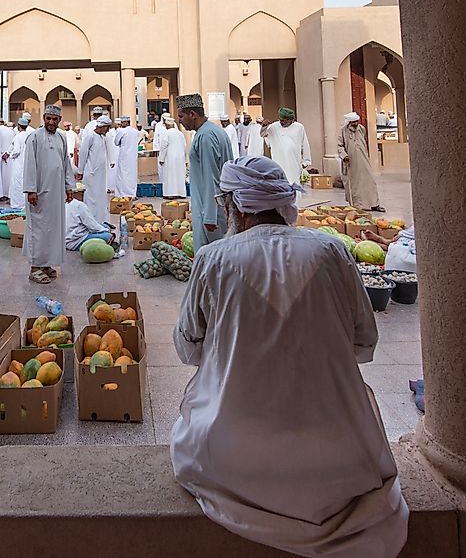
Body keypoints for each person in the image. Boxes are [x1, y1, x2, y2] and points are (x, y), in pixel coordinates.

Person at [171, 155, 408, 558]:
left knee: (197, 423)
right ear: (282, 204)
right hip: (341, 457)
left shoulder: (214, 259)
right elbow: (364, 341)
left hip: (235, 461)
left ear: (236, 207)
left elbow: (189, 348)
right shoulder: (332, 250)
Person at [23, 105, 75, 284]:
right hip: (38, 192)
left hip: (56, 193)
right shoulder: (34, 137)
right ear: (44, 118)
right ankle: (35, 268)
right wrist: (31, 189)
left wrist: (69, 187)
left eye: (55, 119)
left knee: (53, 229)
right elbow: (29, 164)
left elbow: (65, 163)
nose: (51, 122)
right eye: (48, 119)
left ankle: (46, 264)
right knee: (38, 229)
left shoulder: (61, 137)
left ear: (59, 120)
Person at [177, 93, 233, 252]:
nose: (180, 121)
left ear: (192, 114)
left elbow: (211, 177)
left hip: (210, 208)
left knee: (213, 255)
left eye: (181, 116)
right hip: (217, 205)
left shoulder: (206, 136)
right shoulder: (213, 130)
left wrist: (209, 215)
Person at [337, 112, 385, 212]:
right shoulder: (343, 131)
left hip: (363, 160)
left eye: (356, 121)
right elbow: (340, 146)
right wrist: (344, 155)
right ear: (349, 122)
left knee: (370, 181)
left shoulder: (362, 129)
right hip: (351, 162)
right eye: (353, 122)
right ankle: (358, 205)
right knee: (355, 184)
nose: (355, 123)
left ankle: (374, 204)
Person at [261, 107, 311, 187]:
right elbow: (262, 134)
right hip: (279, 161)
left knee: (294, 184)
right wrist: (264, 126)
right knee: (281, 183)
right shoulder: (274, 126)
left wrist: (306, 161)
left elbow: (304, 144)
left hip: (294, 162)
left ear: (291, 119)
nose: (281, 122)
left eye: (283, 120)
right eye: (280, 120)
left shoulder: (299, 127)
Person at [76, 114, 112, 226]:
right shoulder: (90, 137)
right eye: (107, 127)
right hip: (91, 173)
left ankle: (101, 220)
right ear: (102, 126)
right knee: (91, 198)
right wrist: (80, 171)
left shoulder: (102, 137)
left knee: (100, 197)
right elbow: (83, 154)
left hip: (100, 174)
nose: (108, 130)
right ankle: (91, 221)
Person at [159, 117, 187, 198]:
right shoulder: (180, 133)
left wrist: (161, 158)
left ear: (167, 125)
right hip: (180, 157)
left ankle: (170, 194)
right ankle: (181, 193)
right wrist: (185, 158)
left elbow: (164, 146)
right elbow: (184, 146)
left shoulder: (166, 133)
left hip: (170, 157)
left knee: (170, 175)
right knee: (180, 175)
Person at [8, 117, 31, 209]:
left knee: (17, 184)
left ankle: (17, 205)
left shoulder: (18, 136)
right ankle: (24, 204)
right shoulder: (29, 135)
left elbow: (16, 151)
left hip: (18, 163)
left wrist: (11, 156)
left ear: (18, 126)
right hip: (27, 163)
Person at [114, 116, 139, 198]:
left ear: (127, 122)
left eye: (122, 122)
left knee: (122, 175)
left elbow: (116, 142)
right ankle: (132, 193)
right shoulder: (135, 131)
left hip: (124, 156)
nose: (121, 124)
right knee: (132, 175)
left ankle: (122, 194)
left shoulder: (121, 131)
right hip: (133, 156)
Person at [0, 116, 14, 201]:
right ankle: (8, 195)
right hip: (9, 156)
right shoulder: (10, 131)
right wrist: (7, 153)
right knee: (8, 176)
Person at [153, 113, 169, 180]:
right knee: (161, 166)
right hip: (160, 149)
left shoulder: (173, 125)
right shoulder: (158, 125)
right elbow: (156, 137)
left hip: (170, 149)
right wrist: (156, 149)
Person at [106, 117, 120, 193]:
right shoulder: (110, 132)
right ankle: (109, 187)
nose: (118, 125)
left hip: (119, 154)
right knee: (110, 171)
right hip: (111, 154)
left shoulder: (122, 132)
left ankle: (116, 187)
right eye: (117, 124)